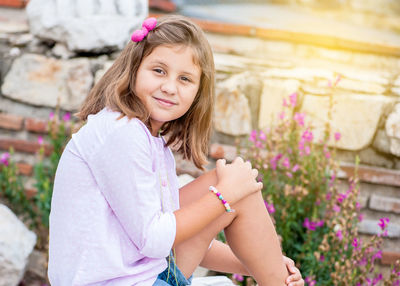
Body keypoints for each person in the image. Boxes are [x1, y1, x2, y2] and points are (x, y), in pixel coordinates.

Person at [48, 15, 304, 286]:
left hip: (139, 277)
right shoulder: (120, 132)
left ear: (198, 92)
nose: (169, 87)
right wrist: (224, 195)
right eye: (158, 71)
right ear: (134, 68)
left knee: (231, 186)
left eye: (185, 79)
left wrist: (261, 262)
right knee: (229, 187)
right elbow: (154, 240)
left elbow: (182, 236)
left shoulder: (149, 140)